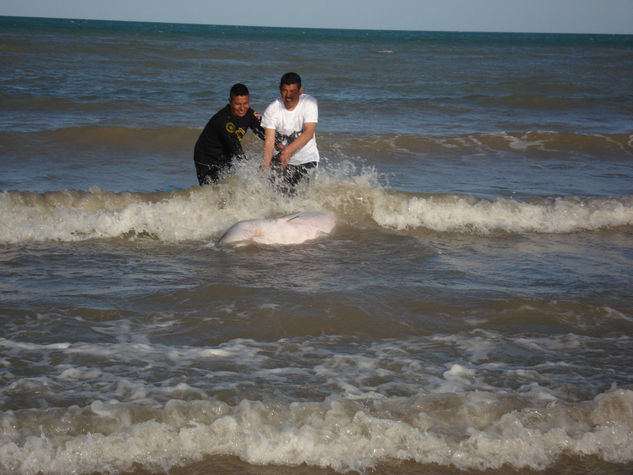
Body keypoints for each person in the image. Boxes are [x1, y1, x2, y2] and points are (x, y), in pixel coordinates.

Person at [194, 83, 265, 185]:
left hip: (225, 157)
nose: (242, 108)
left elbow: (264, 130)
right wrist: (250, 169)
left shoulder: (249, 113)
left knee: (228, 187)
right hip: (206, 159)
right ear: (230, 101)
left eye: (245, 103)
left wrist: (279, 144)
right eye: (238, 104)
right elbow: (235, 147)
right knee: (211, 191)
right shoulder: (223, 119)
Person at [261, 72, 319, 194]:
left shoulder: (309, 103)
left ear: (300, 91)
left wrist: (287, 151)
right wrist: (265, 169)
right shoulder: (272, 109)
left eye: (292, 91)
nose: (288, 95)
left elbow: (308, 133)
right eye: (285, 91)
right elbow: (269, 142)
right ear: (280, 90)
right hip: (283, 161)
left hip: (307, 159)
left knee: (301, 194)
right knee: (276, 192)